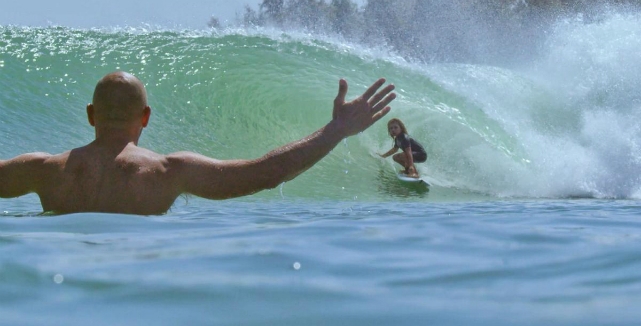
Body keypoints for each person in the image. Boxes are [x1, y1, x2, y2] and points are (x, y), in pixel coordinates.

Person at [0, 71, 396, 215]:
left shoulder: (44, 170)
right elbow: (265, 174)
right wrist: (336, 130)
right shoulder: (168, 172)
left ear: (91, 115)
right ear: (146, 117)